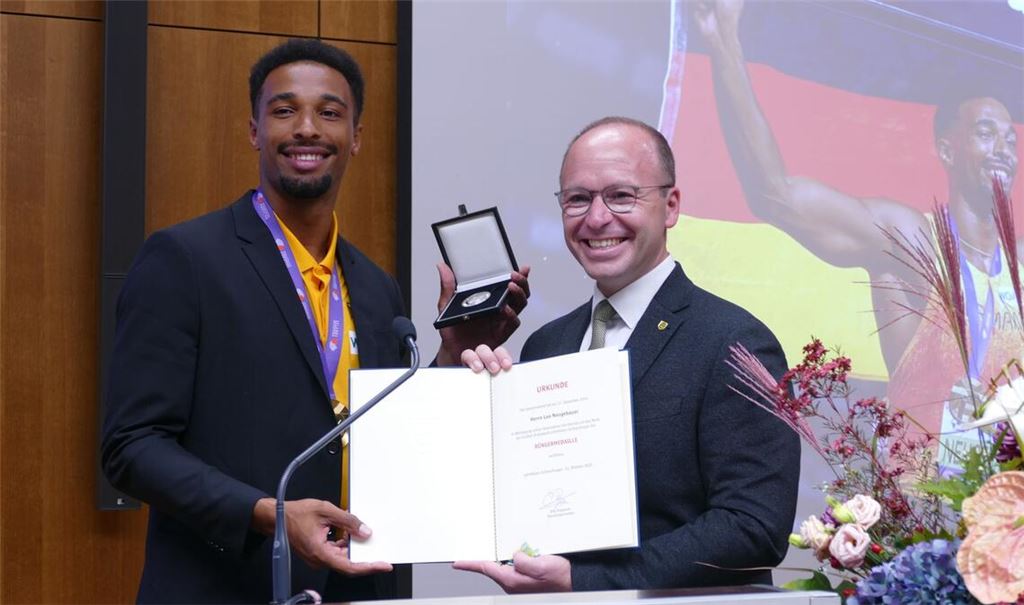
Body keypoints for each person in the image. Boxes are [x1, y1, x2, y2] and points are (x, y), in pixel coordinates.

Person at [100, 39, 527, 604]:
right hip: (221, 588)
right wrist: (269, 515)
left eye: (330, 113)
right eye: (284, 111)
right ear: (255, 130)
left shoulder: (375, 288)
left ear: (355, 137)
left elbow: (388, 443)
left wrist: (451, 357)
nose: (307, 128)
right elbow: (131, 447)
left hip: (358, 588)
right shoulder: (184, 259)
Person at [453, 117, 799, 592]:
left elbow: (753, 527)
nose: (596, 219)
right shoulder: (545, 346)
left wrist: (589, 581)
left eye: (621, 196)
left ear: (670, 206)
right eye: (578, 199)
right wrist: (463, 376)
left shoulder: (735, 342)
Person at [694, 0, 1021, 459]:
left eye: (1011, 138)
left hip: (1008, 506)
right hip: (925, 506)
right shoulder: (911, 242)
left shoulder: (1020, 266)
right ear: (947, 150)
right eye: (987, 133)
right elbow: (775, 195)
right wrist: (723, 42)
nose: (1004, 149)